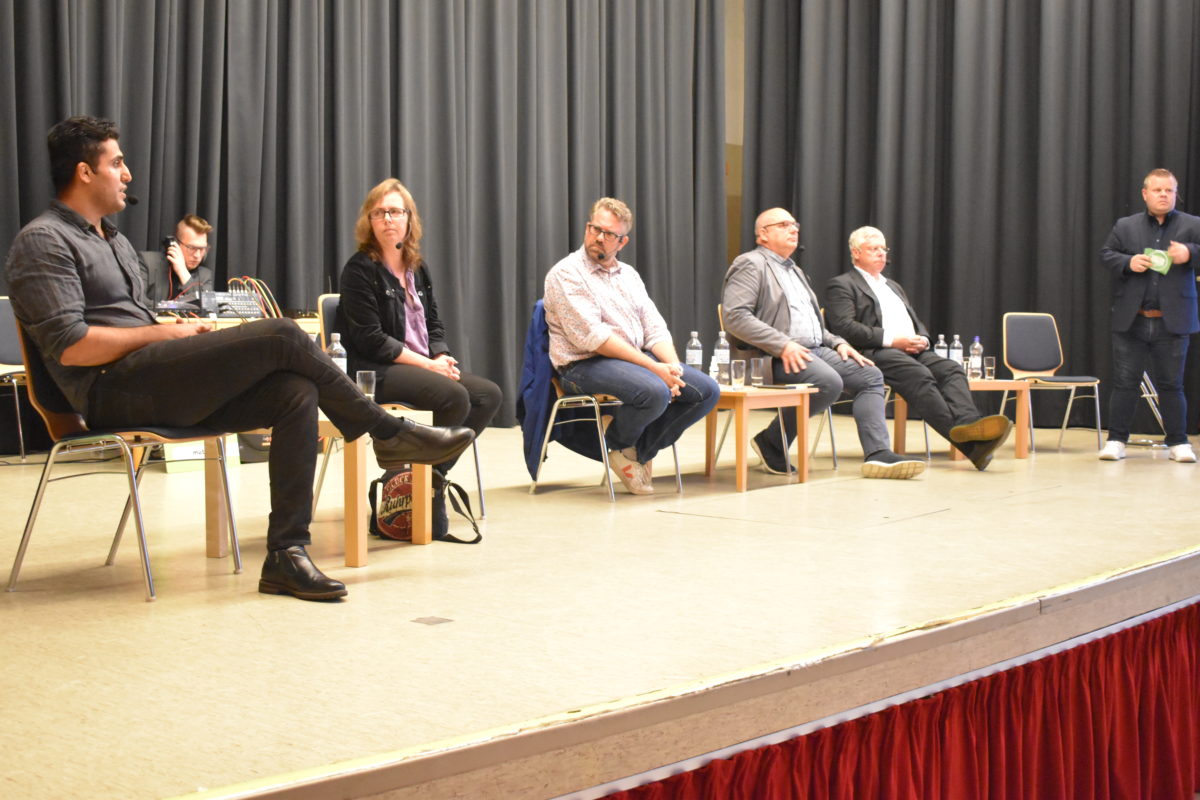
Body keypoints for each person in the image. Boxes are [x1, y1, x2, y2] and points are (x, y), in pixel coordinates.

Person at [4, 116, 474, 601]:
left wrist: (174, 333)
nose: (127, 174)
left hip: (152, 380)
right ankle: (389, 433)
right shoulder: (44, 241)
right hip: (110, 393)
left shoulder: (115, 241)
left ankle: (286, 555)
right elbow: (72, 346)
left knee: (296, 393)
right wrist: (164, 334)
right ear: (85, 172)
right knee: (283, 336)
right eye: (117, 163)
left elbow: (134, 324)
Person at [336, 178, 502, 535]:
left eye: (395, 212)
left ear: (409, 219)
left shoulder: (417, 267)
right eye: (379, 213)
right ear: (369, 220)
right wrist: (429, 364)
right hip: (375, 370)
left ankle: (425, 482)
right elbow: (371, 339)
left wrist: (442, 357)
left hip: (421, 364)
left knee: (488, 394)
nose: (387, 219)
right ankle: (420, 485)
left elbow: (434, 323)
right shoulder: (359, 270)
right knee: (453, 396)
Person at [722, 208, 924, 479]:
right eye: (783, 225)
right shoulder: (751, 263)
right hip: (771, 356)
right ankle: (773, 441)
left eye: (795, 224)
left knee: (870, 375)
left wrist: (838, 342)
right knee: (828, 381)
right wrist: (782, 344)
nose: (794, 229)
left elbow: (814, 324)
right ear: (762, 234)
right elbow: (735, 317)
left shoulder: (795, 270)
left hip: (813, 350)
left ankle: (878, 454)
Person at [542, 197, 719, 494]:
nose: (599, 237)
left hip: (632, 360)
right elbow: (594, 338)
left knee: (706, 392)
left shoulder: (629, 275)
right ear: (587, 228)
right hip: (582, 365)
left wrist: (671, 366)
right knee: (654, 390)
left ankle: (627, 451)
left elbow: (654, 327)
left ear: (622, 242)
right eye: (595, 228)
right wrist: (655, 369)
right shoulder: (567, 273)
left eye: (609, 234)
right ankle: (623, 447)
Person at [825, 226, 1013, 470]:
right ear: (856, 253)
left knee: (951, 368)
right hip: (873, 352)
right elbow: (844, 327)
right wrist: (893, 340)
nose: (881, 253)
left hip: (913, 350)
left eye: (884, 249)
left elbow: (915, 323)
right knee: (919, 375)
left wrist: (923, 339)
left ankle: (970, 425)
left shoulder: (893, 286)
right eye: (874, 249)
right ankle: (971, 446)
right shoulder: (841, 285)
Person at [1098, 168, 1200, 463]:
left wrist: (1190, 254)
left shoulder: (1192, 225)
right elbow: (1106, 254)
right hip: (1133, 318)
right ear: (1145, 194)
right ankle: (1116, 440)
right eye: (1158, 190)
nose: (1164, 195)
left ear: (1175, 194)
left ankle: (1178, 442)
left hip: (1173, 319)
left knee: (1172, 384)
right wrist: (1129, 261)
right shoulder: (1126, 225)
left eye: (1169, 190)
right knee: (1125, 382)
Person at [142, 214, 215, 304]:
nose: (197, 255)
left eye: (202, 248)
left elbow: (208, 307)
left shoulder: (204, 276)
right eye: (191, 248)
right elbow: (137, 301)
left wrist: (183, 272)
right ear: (174, 244)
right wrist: (168, 308)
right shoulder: (148, 263)